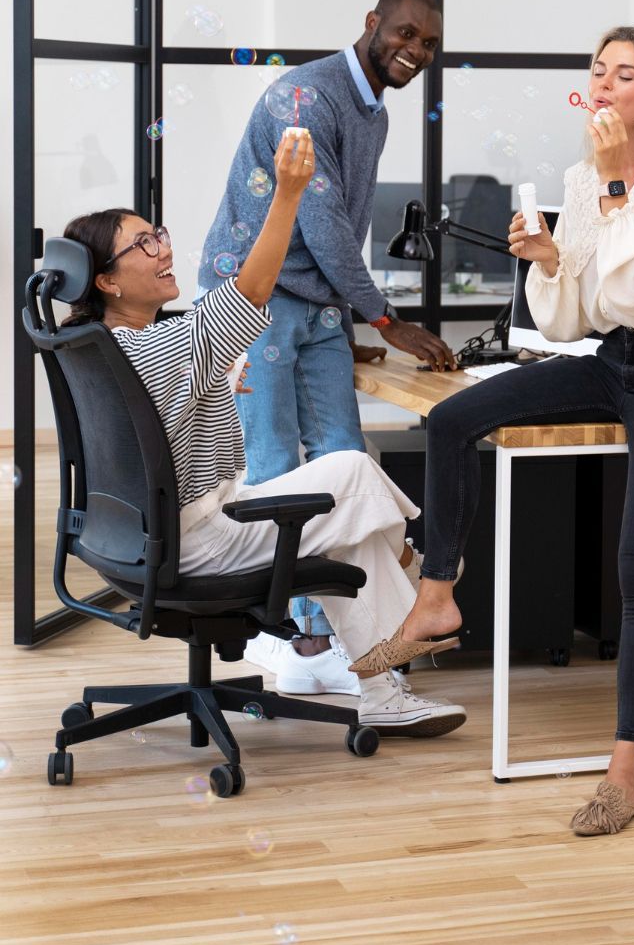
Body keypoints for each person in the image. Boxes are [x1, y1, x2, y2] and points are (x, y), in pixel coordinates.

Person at [349, 27, 634, 835]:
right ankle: (437, 601)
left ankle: (624, 773)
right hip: (614, 361)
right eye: (597, 70)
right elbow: (578, 318)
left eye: (623, 75)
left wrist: (620, 183)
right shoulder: (581, 175)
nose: (602, 85)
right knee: (455, 418)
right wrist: (550, 261)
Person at [63, 127, 466, 739]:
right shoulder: (166, 344)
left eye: (158, 233)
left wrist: (216, 384)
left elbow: (157, 421)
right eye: (142, 244)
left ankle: (386, 681)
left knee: (343, 507)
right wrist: (287, 193)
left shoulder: (94, 344)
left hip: (133, 537)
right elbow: (252, 291)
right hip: (198, 541)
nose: (161, 248)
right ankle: (421, 578)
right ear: (109, 282)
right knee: (350, 477)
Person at [198, 0, 456, 696]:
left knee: (345, 462)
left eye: (429, 43)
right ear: (371, 23)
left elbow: (341, 229)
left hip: (315, 310)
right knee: (278, 468)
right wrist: (385, 318)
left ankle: (346, 635)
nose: (415, 51)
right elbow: (322, 227)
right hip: (254, 300)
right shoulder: (304, 100)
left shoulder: (372, 109)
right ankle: (295, 635)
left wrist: (348, 324)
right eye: (405, 33)